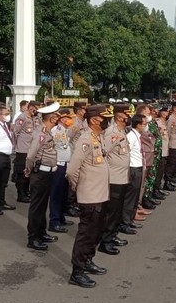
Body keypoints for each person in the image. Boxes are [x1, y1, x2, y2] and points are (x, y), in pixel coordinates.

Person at [66, 104, 113, 288]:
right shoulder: (85, 139)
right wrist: (78, 186)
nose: (107, 121)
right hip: (90, 196)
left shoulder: (98, 137)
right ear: (94, 120)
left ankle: (88, 260)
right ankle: (77, 271)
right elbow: (71, 170)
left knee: (96, 232)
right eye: (105, 118)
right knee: (86, 234)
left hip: (100, 194)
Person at [24, 102, 61, 251]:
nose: (58, 118)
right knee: (36, 206)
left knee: (42, 205)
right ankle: (33, 238)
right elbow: (31, 155)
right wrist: (28, 170)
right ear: (51, 118)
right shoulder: (40, 133)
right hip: (40, 173)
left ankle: (41, 232)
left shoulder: (47, 131)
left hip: (48, 172)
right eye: (56, 115)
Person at [98, 104, 131, 255]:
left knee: (117, 210)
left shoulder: (121, 131)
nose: (129, 117)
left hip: (122, 176)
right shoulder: (112, 132)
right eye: (127, 115)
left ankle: (113, 235)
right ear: (119, 117)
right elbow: (104, 152)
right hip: (114, 177)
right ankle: (105, 241)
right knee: (111, 211)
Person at [48, 109, 74, 233]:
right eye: (68, 118)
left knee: (63, 193)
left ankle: (60, 217)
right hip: (58, 165)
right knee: (56, 194)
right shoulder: (56, 130)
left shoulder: (64, 130)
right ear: (62, 119)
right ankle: (54, 221)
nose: (70, 120)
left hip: (65, 164)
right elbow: (53, 147)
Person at [120, 114, 147, 234]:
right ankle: (125, 222)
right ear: (138, 124)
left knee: (135, 196)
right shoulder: (130, 136)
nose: (145, 126)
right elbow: (126, 153)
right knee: (130, 197)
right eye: (144, 124)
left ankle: (130, 219)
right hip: (133, 168)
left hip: (138, 166)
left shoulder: (137, 136)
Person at [13, 101, 40, 203]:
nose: (37, 110)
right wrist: (16, 146)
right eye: (36, 108)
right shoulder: (22, 117)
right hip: (23, 149)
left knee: (30, 172)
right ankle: (21, 194)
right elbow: (15, 132)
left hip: (32, 150)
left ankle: (27, 191)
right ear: (31, 108)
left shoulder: (36, 118)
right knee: (21, 173)